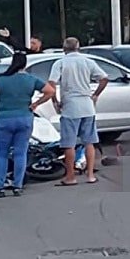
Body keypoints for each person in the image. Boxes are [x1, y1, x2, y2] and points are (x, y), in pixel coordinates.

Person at [0, 51, 55, 198]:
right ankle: (17, 185)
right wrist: (36, 104)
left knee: (2, 154)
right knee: (20, 153)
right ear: (25, 64)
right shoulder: (31, 79)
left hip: (4, 118)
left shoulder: (1, 80)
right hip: (24, 117)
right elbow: (50, 91)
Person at [48, 37, 107, 185]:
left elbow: (51, 84)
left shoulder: (60, 63)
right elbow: (104, 78)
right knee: (89, 142)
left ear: (64, 48)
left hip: (70, 107)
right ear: (78, 47)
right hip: (87, 105)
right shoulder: (88, 62)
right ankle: (91, 175)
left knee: (69, 143)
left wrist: (55, 101)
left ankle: (70, 177)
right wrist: (95, 94)